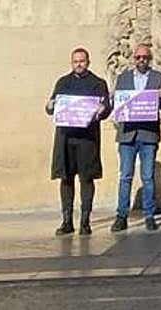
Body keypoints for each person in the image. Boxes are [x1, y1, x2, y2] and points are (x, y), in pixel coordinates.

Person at [46, 47, 110, 236]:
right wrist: (49, 106)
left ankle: (85, 221)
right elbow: (52, 106)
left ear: (88, 62)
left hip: (87, 139)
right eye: (75, 61)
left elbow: (106, 107)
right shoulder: (63, 82)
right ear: (71, 63)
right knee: (66, 178)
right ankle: (67, 220)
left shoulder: (98, 83)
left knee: (86, 178)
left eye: (82, 61)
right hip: (66, 137)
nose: (79, 64)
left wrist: (102, 109)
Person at [111, 43, 161, 232]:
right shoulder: (123, 78)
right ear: (133, 59)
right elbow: (117, 104)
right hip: (127, 134)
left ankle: (149, 215)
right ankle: (121, 215)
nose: (141, 60)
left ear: (149, 59)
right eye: (138, 57)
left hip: (148, 134)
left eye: (145, 57)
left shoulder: (159, 78)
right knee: (125, 176)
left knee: (148, 177)